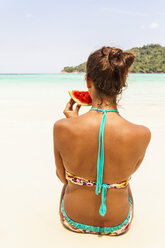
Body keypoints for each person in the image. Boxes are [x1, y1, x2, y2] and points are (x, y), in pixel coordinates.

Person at [53, 46, 151, 236]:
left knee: (70, 182)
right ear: (122, 83)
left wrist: (73, 123)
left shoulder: (62, 128)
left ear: (88, 81)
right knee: (123, 181)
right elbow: (124, 170)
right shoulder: (143, 133)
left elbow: (62, 177)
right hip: (119, 224)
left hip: (72, 219)